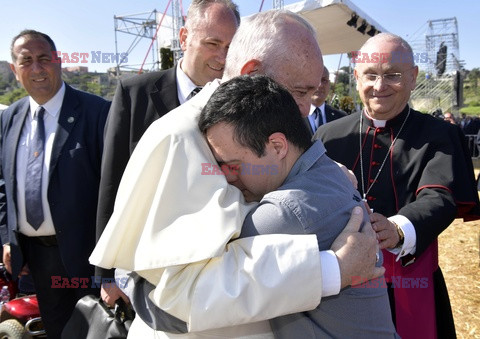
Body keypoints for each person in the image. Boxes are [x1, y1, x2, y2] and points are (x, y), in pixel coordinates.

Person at [90, 10, 382, 337]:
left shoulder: (270, 120)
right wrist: (333, 269)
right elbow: (179, 295)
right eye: (300, 92)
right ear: (252, 73)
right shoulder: (182, 139)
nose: (306, 109)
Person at [198, 74, 397, 338]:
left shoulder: (284, 214)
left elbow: (200, 299)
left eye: (233, 164)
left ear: (277, 146)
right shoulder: (332, 173)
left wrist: (133, 285)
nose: (227, 177)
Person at [315, 33, 480, 339]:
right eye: (371, 75)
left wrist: (399, 229)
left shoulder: (439, 134)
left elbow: (439, 197)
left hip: (408, 279)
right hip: (339, 283)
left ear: (413, 77)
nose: (380, 86)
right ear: (356, 77)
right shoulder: (328, 136)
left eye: (393, 75)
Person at [95, 0, 240, 305]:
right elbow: (112, 182)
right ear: (185, 37)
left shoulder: (242, 104)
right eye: (212, 43)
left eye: (230, 45)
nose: (222, 56)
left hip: (216, 269)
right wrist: (105, 274)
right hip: (143, 268)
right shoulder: (133, 94)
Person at [0, 30, 110, 338]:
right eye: (26, 61)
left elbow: (114, 187)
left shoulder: (96, 112)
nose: (37, 68)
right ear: (14, 69)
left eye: (44, 59)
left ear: (59, 61)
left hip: (87, 257)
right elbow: (2, 183)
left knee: (97, 332)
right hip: (38, 259)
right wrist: (8, 238)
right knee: (56, 331)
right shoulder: (10, 116)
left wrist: (112, 267)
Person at [307, 66, 346, 134]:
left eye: (324, 80)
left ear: (329, 84)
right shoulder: (294, 116)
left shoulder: (341, 118)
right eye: (316, 80)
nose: (320, 85)